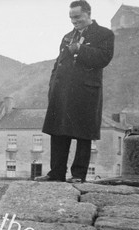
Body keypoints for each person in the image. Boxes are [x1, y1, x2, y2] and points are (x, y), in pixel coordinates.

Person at [36, 0, 114, 183]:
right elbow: (59, 63)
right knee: (58, 132)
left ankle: (78, 175)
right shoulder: (67, 36)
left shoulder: (104, 34)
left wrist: (81, 48)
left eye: (77, 17)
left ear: (88, 13)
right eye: (71, 18)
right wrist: (52, 87)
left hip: (85, 93)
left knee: (83, 134)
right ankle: (56, 173)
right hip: (61, 92)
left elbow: (103, 58)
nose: (74, 21)